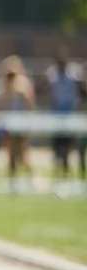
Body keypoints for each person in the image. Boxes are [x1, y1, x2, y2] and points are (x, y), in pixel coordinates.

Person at [43, 46, 85, 179]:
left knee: (74, 144)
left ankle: (78, 170)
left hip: (71, 113)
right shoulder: (52, 73)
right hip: (57, 114)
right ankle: (60, 170)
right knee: (58, 144)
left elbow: (82, 90)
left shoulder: (74, 72)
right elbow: (48, 91)